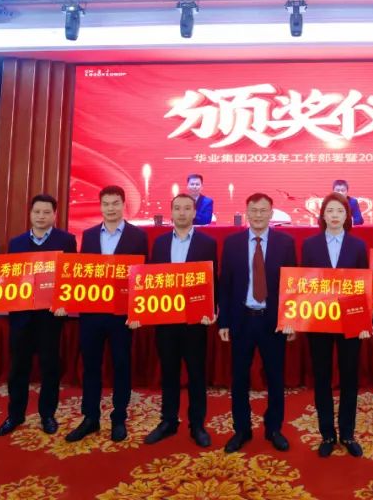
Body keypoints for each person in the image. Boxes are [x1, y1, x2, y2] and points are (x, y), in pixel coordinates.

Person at [66, 185, 149, 443]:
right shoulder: (89, 235)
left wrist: (137, 311)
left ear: (123, 205)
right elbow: (82, 271)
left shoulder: (138, 236)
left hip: (121, 315)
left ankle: (119, 417)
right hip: (92, 313)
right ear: (100, 206)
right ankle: (90, 417)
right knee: (91, 366)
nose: (110, 208)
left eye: (115, 203)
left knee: (121, 365)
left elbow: (142, 276)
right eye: (106, 204)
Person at [218, 192, 297, 453]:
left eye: (263, 210)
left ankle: (274, 428)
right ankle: (241, 429)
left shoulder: (285, 243)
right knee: (239, 378)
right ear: (247, 213)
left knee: (275, 377)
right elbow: (225, 285)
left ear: (271, 214)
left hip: (272, 322)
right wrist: (224, 322)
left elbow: (291, 284)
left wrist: (291, 320)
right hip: (242, 320)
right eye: (253, 210)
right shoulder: (233, 243)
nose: (258, 215)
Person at [140, 193, 218, 448]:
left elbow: (213, 279)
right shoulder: (160, 243)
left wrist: (212, 309)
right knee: (169, 372)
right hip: (166, 321)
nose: (182, 213)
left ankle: (197, 425)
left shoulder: (207, 243)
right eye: (177, 208)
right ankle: (168, 421)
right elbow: (151, 280)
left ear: (195, 213)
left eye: (187, 208)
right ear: (171, 212)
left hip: (195, 321)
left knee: (196, 374)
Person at [0, 194, 77, 437]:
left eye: (46, 212)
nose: (41, 216)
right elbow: (10, 277)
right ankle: (15, 414)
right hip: (21, 316)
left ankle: (47, 415)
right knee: (18, 368)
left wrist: (64, 302)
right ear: (30, 214)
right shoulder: (17, 242)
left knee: (49, 367)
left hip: (50, 317)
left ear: (54, 215)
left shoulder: (66, 240)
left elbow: (69, 275)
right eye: (37, 212)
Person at [301, 193, 371, 458]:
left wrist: (364, 320)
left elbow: (363, 285)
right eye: (330, 210)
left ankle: (348, 434)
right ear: (322, 215)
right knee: (322, 377)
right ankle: (327, 434)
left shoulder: (357, 245)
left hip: (350, 320)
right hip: (319, 319)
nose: (334, 215)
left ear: (347, 216)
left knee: (349, 377)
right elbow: (303, 283)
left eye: (339, 211)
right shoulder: (310, 245)